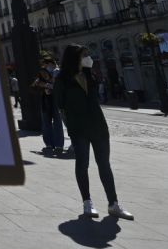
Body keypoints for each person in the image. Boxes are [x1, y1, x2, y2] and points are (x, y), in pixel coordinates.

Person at [52, 44, 132, 220]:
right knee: (83, 164)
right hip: (78, 127)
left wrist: (89, 74)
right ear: (74, 58)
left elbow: (95, 98)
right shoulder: (62, 79)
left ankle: (113, 204)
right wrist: (71, 124)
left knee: (105, 164)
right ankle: (87, 202)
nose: (87, 58)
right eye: (84, 55)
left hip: (98, 125)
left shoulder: (90, 75)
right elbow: (60, 104)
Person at [33, 60, 65, 156]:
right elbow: (35, 85)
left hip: (55, 100)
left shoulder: (57, 72)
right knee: (47, 122)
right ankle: (50, 144)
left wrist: (49, 86)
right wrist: (44, 86)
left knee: (56, 122)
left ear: (51, 64)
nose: (46, 66)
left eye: (46, 64)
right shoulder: (42, 74)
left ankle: (57, 144)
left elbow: (59, 85)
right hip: (45, 101)